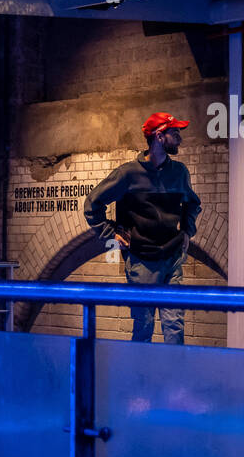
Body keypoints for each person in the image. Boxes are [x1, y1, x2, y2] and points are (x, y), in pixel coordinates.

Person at [84, 112, 201, 343]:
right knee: (144, 328)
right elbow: (92, 205)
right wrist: (111, 234)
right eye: (174, 132)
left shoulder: (179, 172)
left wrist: (187, 231)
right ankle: (140, 377)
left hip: (173, 258)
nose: (179, 138)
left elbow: (192, 203)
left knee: (174, 327)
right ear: (159, 136)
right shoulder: (128, 174)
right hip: (141, 261)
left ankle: (173, 378)